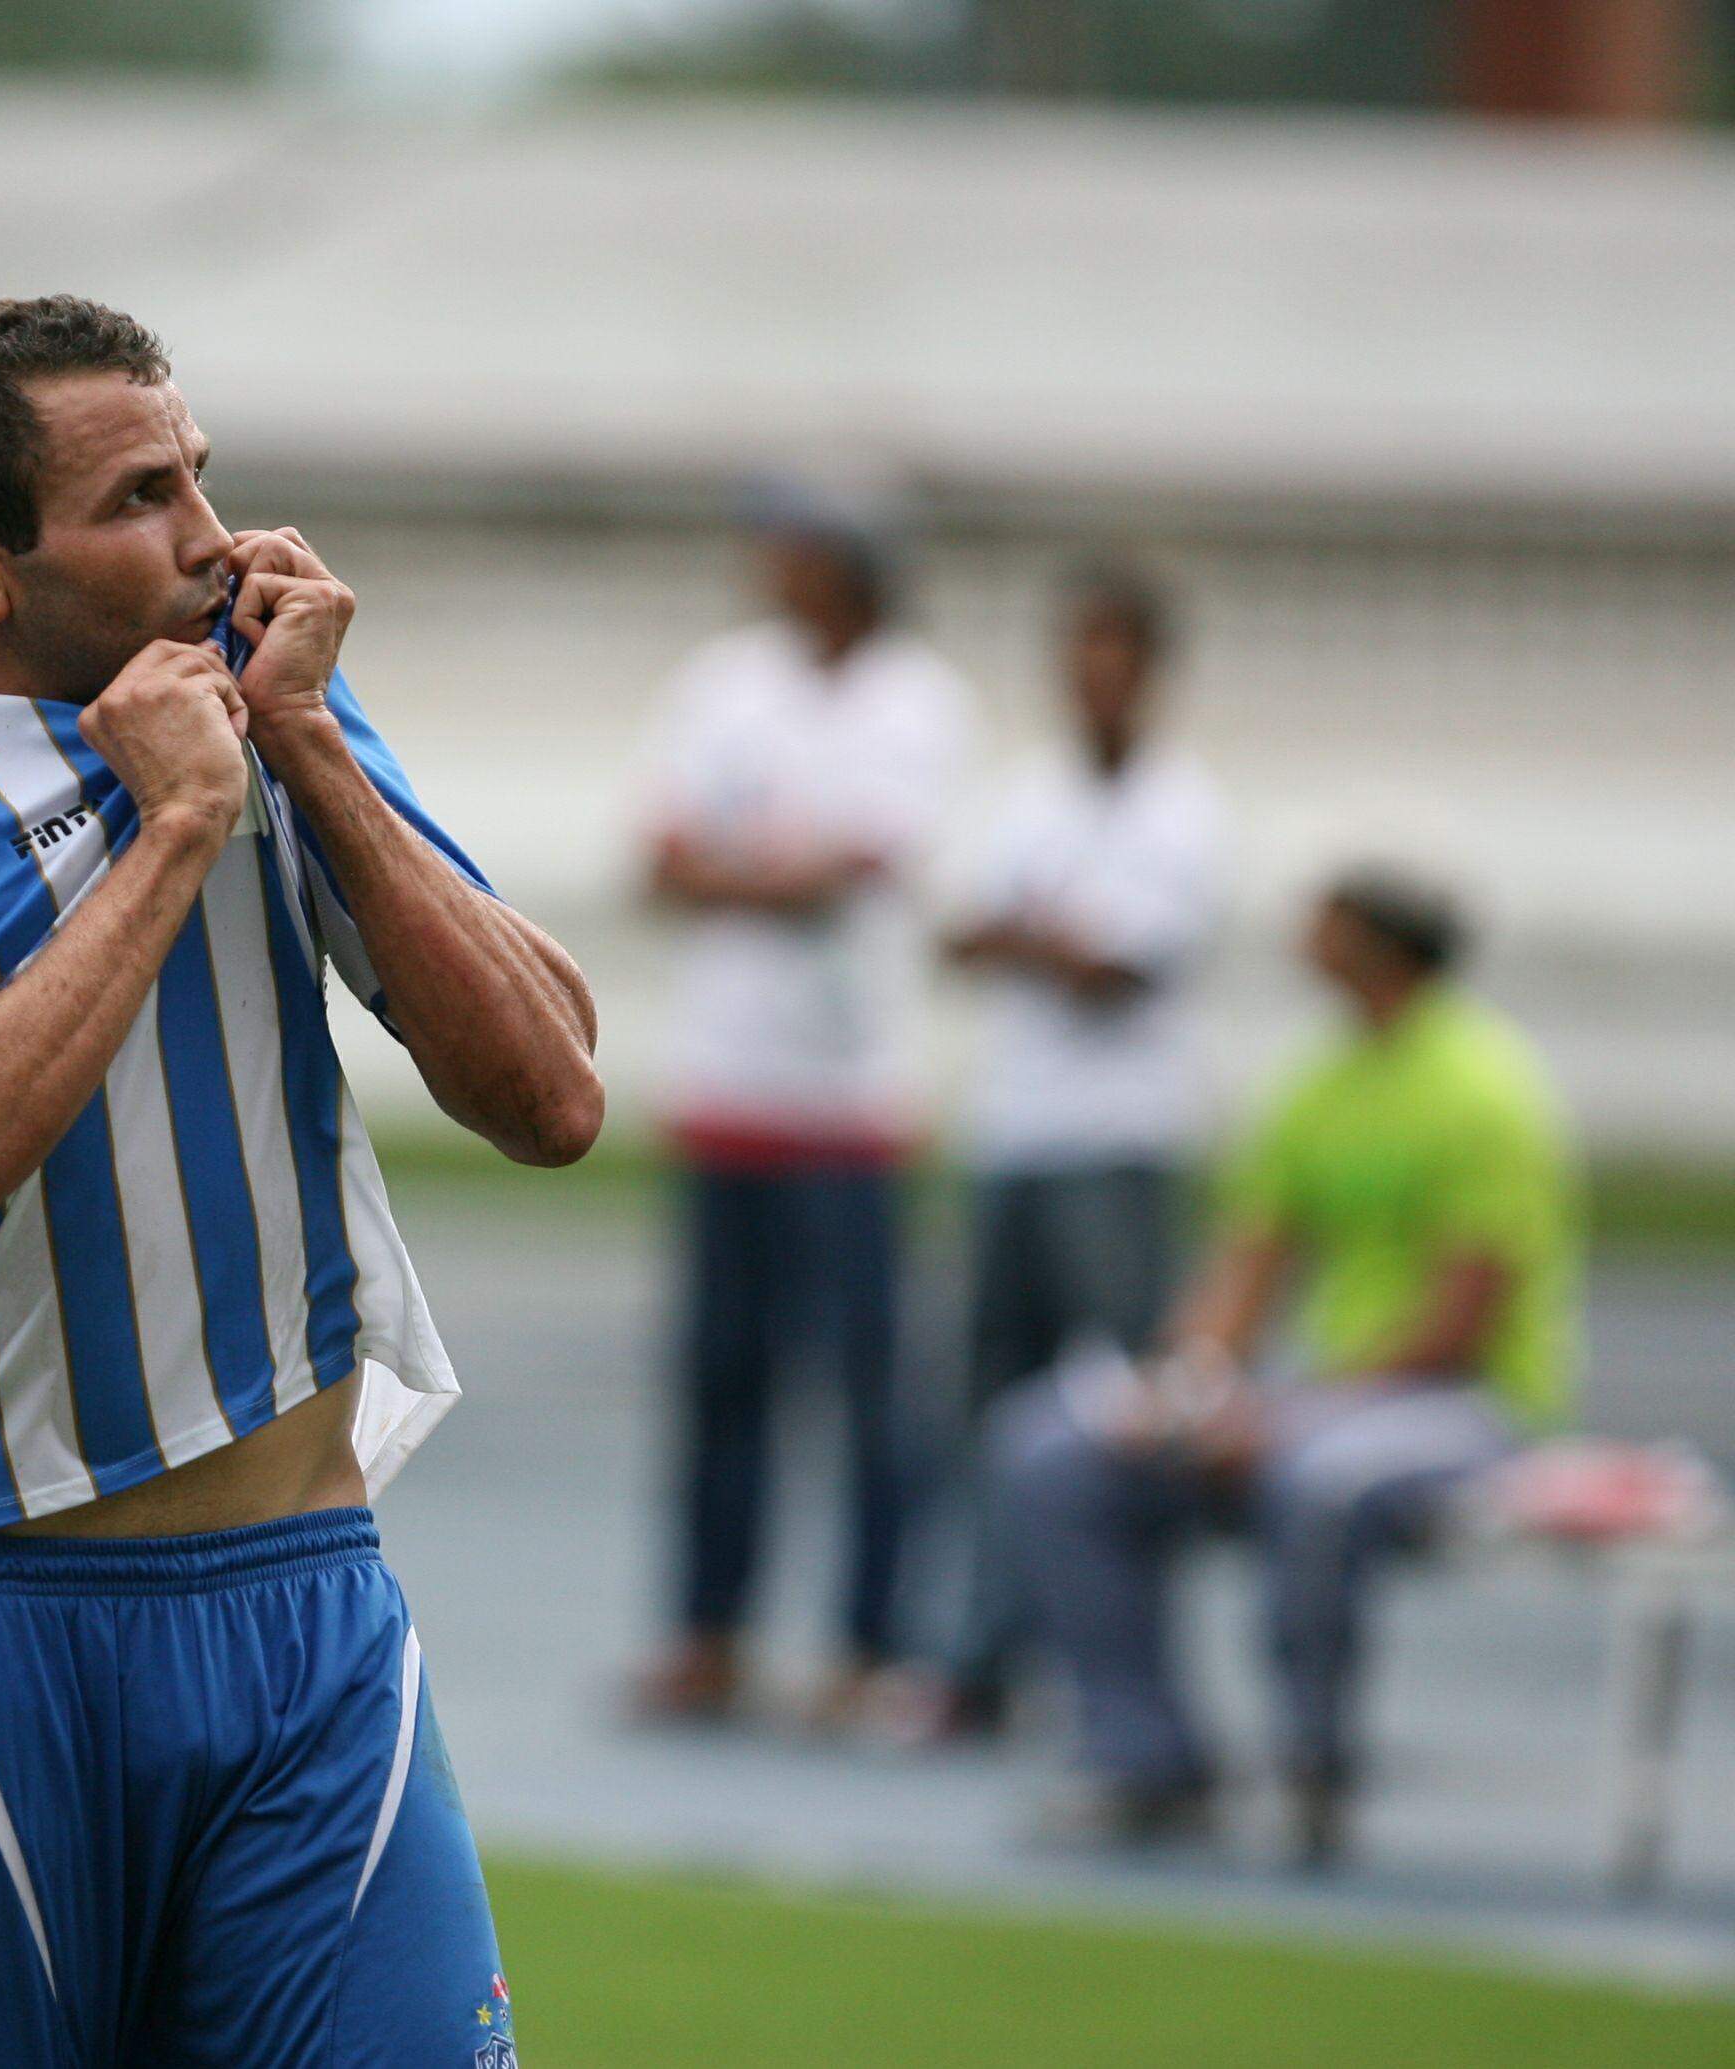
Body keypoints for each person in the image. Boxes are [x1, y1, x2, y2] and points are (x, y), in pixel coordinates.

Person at [0, 297, 599, 2067]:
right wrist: (175, 821)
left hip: (307, 1619)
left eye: (199, 473)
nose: (212, 539)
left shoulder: (287, 725)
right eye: (139, 497)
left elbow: (550, 1093)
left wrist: (309, 753)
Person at [999, 866, 1580, 1866]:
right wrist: (1187, 1382)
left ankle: (1313, 1765)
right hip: (1320, 1394)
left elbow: (1462, 1315)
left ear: (1376, 943)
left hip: (1450, 1403)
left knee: (1317, 1481)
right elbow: (1247, 1259)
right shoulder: (1321, 1078)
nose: (1299, 939)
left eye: (1324, 924)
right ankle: (1144, 1754)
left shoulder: (1483, 1085)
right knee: (1052, 1450)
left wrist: (1288, 1410)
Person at [628, 479, 971, 1727]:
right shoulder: (723, 682)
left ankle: (865, 1641)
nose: (773, 567)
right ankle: (707, 1629)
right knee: (720, 1377)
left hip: (851, 1100)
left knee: (871, 1388)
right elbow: (664, 858)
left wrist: (745, 867)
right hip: (728, 1084)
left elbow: (861, 861)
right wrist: (773, 867)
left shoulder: (917, 697)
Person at [907, 561, 1226, 1742]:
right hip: (1015, 1134)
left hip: (1122, 1143)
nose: (1090, 675)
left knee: (1121, 1412)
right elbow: (957, 933)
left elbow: (1120, 969)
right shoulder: (1024, 793)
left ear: (1147, 668)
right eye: (1076, 651)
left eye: (1112, 653)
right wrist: (1051, 940)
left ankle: (1121, 1675)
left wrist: (1024, 935)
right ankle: (984, 1651)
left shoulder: (1182, 808)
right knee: (985, 1406)